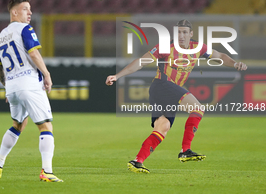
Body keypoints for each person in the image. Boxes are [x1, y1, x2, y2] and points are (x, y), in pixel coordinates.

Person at [105, 19, 247, 173]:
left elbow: (220, 55)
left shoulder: (198, 48)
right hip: (161, 85)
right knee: (197, 108)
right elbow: (141, 61)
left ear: (190, 34)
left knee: (163, 127)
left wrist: (234, 64)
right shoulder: (166, 47)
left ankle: (137, 161)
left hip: (167, 91)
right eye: (178, 32)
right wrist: (117, 76)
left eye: (184, 32)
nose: (181, 35)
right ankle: (185, 150)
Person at [0, 0, 63, 182]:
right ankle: (46, 171)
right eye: (25, 9)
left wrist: (8, 87)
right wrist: (46, 74)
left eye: (30, 9)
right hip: (29, 83)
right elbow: (34, 52)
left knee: (18, 125)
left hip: (12, 87)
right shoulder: (25, 29)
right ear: (14, 12)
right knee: (46, 126)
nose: (30, 12)